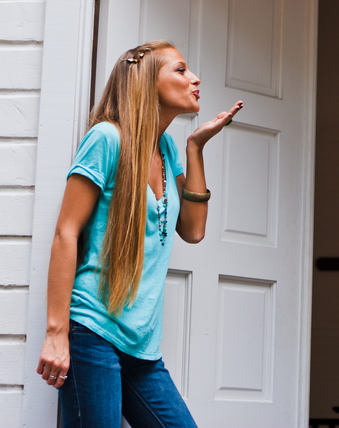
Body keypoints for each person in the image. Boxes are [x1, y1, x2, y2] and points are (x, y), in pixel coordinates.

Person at [36, 41, 242, 427]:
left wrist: (195, 148)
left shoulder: (167, 148)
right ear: (147, 82)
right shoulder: (107, 139)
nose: (194, 78)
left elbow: (193, 230)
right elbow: (66, 232)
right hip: (93, 332)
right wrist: (56, 333)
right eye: (180, 70)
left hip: (142, 347)